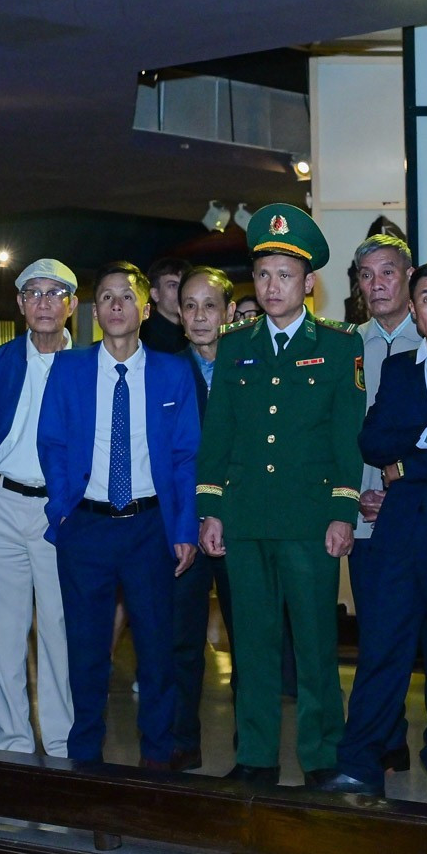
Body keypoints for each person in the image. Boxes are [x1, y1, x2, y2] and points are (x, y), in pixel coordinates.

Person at [197, 204, 365, 788]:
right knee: (255, 645)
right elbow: (218, 436)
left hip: (309, 519)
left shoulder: (340, 347)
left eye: (285, 276)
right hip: (245, 519)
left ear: (309, 283)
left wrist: (343, 511)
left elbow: (348, 441)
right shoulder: (235, 343)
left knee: (317, 645)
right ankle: (256, 755)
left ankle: (322, 757)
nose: (272, 287)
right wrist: (210, 508)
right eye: (264, 275)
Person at [334, 263, 427, 803]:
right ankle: (359, 761)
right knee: (381, 648)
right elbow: (372, 439)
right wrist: (424, 434)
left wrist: (405, 467)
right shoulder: (397, 368)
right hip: (396, 533)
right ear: (414, 311)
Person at [39, 263, 200, 766]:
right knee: (87, 653)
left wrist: (183, 528)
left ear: (145, 309)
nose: (115, 306)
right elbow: (54, 443)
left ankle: (157, 761)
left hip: (150, 528)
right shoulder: (69, 368)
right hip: (85, 526)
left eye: (125, 297)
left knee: (156, 652)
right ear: (94, 309)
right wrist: (63, 511)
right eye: (105, 297)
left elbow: (184, 457)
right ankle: (85, 760)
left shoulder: (174, 371)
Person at [0, 258, 78, 755]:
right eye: (33, 293)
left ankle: (62, 742)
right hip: (1, 505)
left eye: (56, 292)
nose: (44, 301)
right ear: (19, 305)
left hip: (59, 513)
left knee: (60, 631)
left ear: (73, 305)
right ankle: (13, 744)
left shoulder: (88, 366)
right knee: (3, 635)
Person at [342, 233, 422, 775]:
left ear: (409, 277)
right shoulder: (346, 347)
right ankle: (387, 737)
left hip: (421, 512)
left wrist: (396, 486)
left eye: (387, 272)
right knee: (375, 635)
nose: (377, 285)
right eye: (367, 276)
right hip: (362, 519)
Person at [172, 265, 238, 770]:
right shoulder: (166, 370)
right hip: (185, 524)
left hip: (243, 522)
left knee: (251, 638)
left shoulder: (253, 366)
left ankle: (252, 742)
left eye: (209, 305)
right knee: (183, 639)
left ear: (230, 312)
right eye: (189, 306)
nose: (198, 316)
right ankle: (181, 740)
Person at [140, 256, 191, 355]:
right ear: (155, 294)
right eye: (173, 285)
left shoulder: (195, 331)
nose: (181, 291)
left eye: (185, 284)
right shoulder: (142, 338)